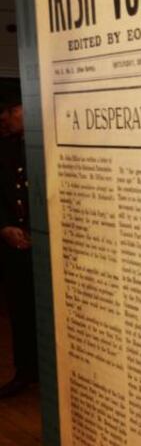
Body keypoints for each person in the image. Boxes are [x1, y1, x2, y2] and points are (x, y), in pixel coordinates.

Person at [0, 94, 35, 400]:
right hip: (15, 247)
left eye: (12, 110)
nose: (6, 117)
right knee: (21, 312)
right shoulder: (4, 150)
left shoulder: (46, 146)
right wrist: (5, 227)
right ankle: (25, 372)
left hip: (47, 247)